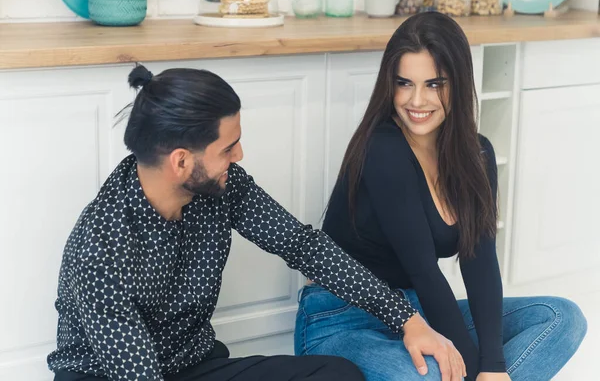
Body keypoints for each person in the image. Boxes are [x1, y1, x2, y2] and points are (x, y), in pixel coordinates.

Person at [47, 64, 466, 381]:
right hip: (111, 376)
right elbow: (136, 372)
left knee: (338, 376)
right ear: (181, 161)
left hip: (190, 363)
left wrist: (407, 319)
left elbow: (303, 246)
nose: (240, 155)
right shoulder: (102, 244)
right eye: (228, 147)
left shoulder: (220, 188)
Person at [293, 12, 587, 381]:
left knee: (562, 318)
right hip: (342, 318)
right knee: (432, 376)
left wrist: (493, 367)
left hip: (420, 312)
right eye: (404, 83)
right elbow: (424, 271)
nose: (417, 100)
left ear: (459, 84)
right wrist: (468, 371)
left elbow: (480, 264)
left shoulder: (478, 155)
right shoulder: (382, 148)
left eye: (435, 84)